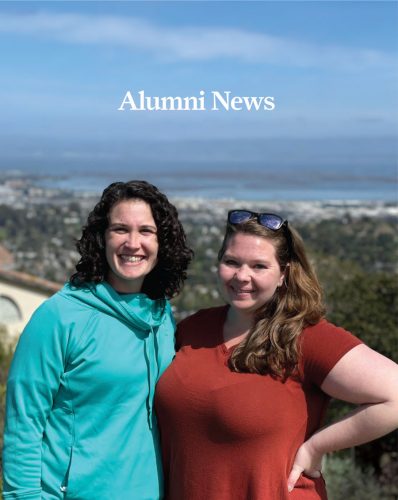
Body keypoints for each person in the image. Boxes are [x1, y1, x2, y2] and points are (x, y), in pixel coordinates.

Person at [155, 209, 398, 500]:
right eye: (231, 262)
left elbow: (393, 395)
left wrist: (316, 447)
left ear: (283, 274)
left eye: (259, 266)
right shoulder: (193, 328)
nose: (242, 276)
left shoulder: (307, 337)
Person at [2, 180, 192, 500]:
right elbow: (24, 425)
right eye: (120, 229)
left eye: (146, 231)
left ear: (163, 243)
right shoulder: (59, 317)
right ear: (101, 238)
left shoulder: (161, 315)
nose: (133, 243)